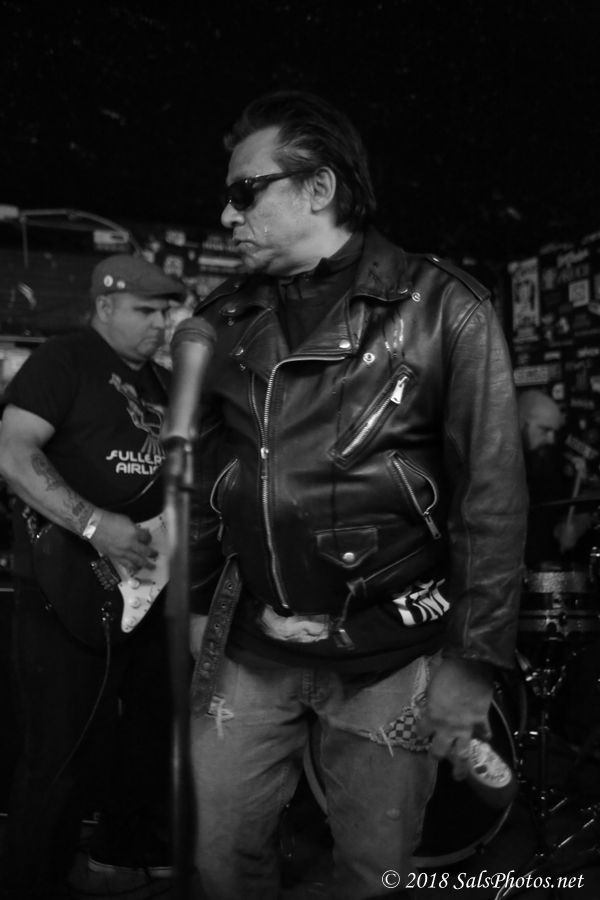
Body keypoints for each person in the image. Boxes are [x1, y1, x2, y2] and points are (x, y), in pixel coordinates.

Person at [178, 90, 527, 900]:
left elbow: (492, 499)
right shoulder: (223, 317)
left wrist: (475, 661)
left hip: (391, 652)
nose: (226, 215)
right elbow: (198, 481)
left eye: (244, 192)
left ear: (318, 188)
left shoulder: (445, 307)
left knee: (375, 873)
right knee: (218, 857)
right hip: (250, 647)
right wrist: (196, 606)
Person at [0, 254, 186, 900]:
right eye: (145, 310)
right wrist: (93, 524)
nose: (160, 323)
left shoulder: (165, 384)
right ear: (105, 305)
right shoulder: (64, 360)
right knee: (58, 751)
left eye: (166, 310)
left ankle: (118, 856)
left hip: (149, 588)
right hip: (66, 588)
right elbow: (13, 454)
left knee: (145, 738)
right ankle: (29, 882)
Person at [517, 389, 593, 567]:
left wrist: (575, 527)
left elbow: (585, 503)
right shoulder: (493, 463)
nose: (551, 439)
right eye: (545, 430)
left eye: (554, 432)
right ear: (519, 422)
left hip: (547, 567)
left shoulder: (554, 458)